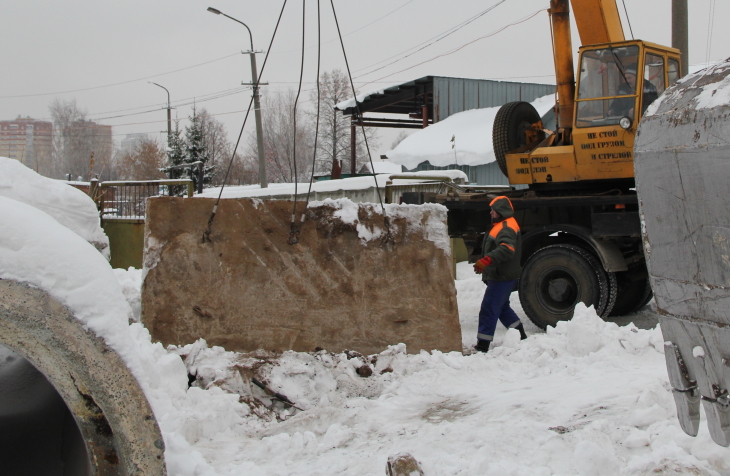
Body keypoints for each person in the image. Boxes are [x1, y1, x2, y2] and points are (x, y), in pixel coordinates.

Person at [473, 196, 527, 353]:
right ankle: (520, 335)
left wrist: (487, 260)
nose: (490, 213)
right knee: (502, 307)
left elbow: (507, 248)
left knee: (489, 308)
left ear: (501, 211)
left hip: (502, 276)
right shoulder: (502, 225)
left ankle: (483, 345)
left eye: (493, 210)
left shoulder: (506, 227)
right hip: (502, 275)